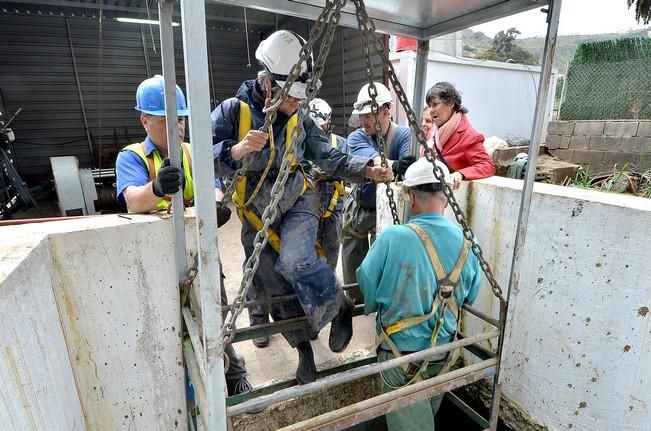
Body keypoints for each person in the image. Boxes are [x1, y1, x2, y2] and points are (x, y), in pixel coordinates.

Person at [211, 30, 393, 385]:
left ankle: (337, 305)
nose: (296, 103)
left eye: (299, 97)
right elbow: (198, 158)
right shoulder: (233, 113)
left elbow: (327, 154)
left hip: (298, 203)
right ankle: (304, 350)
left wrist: (367, 169)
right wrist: (235, 151)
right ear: (267, 83)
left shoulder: (300, 119)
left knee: (297, 261)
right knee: (274, 289)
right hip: (255, 217)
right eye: (290, 96)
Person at [115, 75, 251, 396]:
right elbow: (133, 199)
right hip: (157, 258)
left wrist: (215, 205)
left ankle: (234, 375)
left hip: (200, 253)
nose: (178, 127)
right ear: (144, 121)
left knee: (216, 313)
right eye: (168, 120)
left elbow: (213, 188)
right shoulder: (133, 157)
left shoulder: (193, 152)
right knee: (171, 324)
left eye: (182, 119)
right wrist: (157, 187)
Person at [357, 157, 481, 431]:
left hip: (400, 354)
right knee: (423, 417)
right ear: (446, 197)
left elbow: (365, 278)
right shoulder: (468, 242)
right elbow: (470, 296)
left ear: (411, 196)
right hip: (442, 353)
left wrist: (371, 305)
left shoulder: (393, 237)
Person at [341, 82, 416, 302]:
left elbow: (409, 167)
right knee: (353, 256)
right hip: (362, 207)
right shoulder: (356, 137)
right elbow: (375, 163)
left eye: (368, 116)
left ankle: (384, 300)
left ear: (385, 111)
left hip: (391, 209)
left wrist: (400, 167)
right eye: (361, 116)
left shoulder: (403, 135)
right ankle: (356, 300)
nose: (363, 121)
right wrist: (395, 166)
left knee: (387, 259)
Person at [421, 81, 495, 189]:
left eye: (435, 104)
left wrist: (460, 174)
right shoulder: (434, 131)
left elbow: (487, 166)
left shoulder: (468, 136)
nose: (431, 110)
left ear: (451, 104)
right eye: (430, 105)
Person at [308, 97, 347, 270]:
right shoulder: (301, 143)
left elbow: (348, 167)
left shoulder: (340, 143)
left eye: (321, 127)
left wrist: (331, 171)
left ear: (329, 123)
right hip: (308, 208)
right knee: (308, 254)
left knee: (331, 251)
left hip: (334, 208)